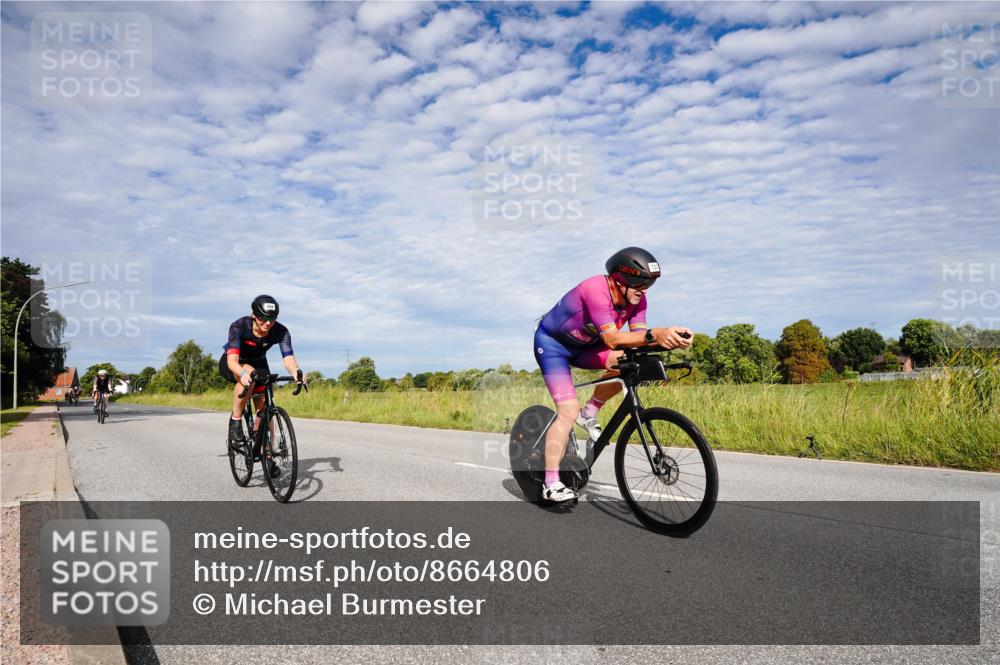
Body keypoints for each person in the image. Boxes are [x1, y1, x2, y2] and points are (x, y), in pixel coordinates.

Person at [533, 247, 693, 503]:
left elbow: (636, 340)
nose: (644, 289)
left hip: (587, 348)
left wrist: (668, 339)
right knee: (567, 411)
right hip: (554, 347)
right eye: (639, 282)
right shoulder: (595, 289)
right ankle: (551, 483)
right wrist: (656, 334)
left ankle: (591, 411)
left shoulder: (637, 300)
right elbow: (613, 338)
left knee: (630, 363)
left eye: (649, 284)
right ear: (620, 279)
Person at [219, 295, 305, 469]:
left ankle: (268, 456)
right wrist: (242, 373)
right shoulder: (239, 326)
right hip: (234, 362)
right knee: (249, 376)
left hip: (259, 363)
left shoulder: (281, 331)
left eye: (272, 319)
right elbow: (232, 361)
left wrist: (296, 371)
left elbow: (288, 358)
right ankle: (235, 421)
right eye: (263, 318)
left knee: (265, 408)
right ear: (253, 315)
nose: (267, 323)